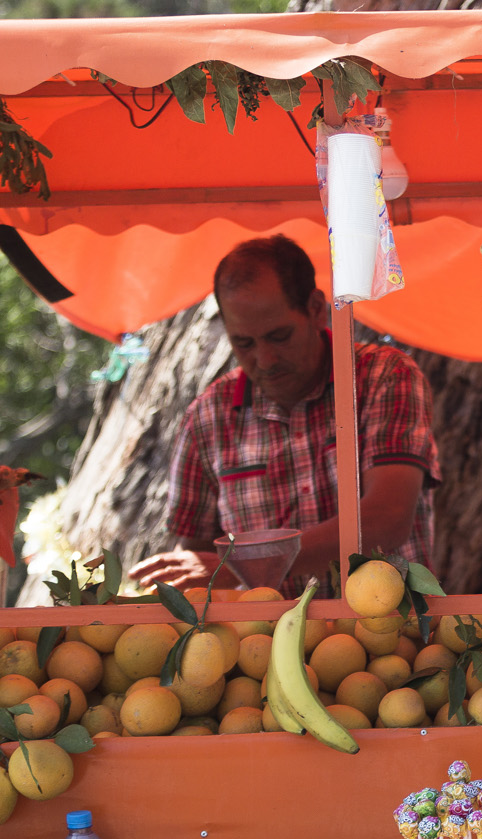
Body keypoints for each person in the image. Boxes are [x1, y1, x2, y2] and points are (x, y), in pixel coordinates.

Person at [129, 236, 438, 593]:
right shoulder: (207, 417)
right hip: (262, 631)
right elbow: (198, 559)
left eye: (279, 336)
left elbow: (388, 518)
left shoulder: (385, 375)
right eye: (244, 343)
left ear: (316, 309)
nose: (265, 360)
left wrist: (245, 565)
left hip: (388, 625)